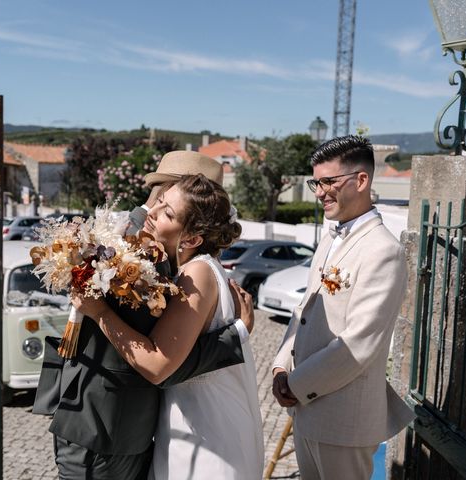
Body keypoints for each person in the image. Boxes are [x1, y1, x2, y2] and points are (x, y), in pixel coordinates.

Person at [34, 151, 254, 479]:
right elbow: (161, 363)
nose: (157, 211)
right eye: (164, 200)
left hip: (129, 427)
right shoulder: (128, 244)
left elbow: (162, 358)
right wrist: (233, 337)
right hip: (103, 425)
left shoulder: (168, 257)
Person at [271, 135, 415, 479]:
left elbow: (359, 342)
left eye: (328, 182)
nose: (319, 192)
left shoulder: (383, 251)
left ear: (361, 180)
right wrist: (279, 368)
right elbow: (304, 311)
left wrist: (296, 385)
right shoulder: (329, 239)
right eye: (315, 182)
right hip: (307, 413)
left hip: (344, 420)